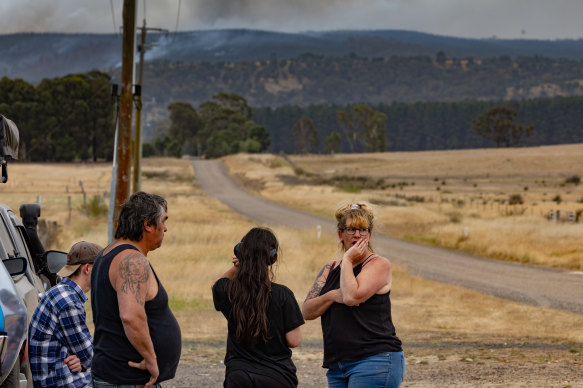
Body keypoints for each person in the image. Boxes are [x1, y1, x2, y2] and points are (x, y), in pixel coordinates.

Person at [302, 202, 405, 387]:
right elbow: (306, 311)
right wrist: (331, 296)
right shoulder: (330, 268)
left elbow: (351, 297)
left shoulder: (378, 264)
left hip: (374, 360)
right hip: (337, 366)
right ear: (340, 234)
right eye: (351, 229)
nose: (357, 235)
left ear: (370, 235)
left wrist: (348, 259)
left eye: (362, 230)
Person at [90, 191, 181, 388]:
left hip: (116, 376)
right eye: (163, 221)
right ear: (148, 224)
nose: (165, 229)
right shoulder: (132, 261)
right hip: (128, 380)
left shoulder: (107, 253)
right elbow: (130, 316)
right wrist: (150, 359)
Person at [212, 227, 305, 388]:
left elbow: (217, 285)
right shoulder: (284, 294)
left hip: (239, 374)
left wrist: (238, 266)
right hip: (277, 376)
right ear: (272, 257)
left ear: (240, 252)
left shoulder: (228, 291)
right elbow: (294, 340)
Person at [29, 240, 103, 388]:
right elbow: (90, 356)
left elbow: (82, 355)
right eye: (101, 268)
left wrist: (80, 362)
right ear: (87, 269)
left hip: (60, 375)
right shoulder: (68, 302)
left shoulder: (62, 292)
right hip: (61, 382)